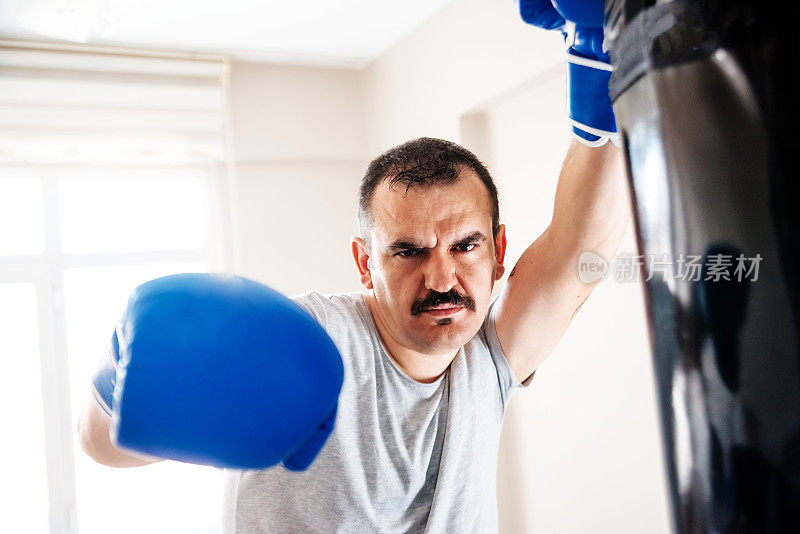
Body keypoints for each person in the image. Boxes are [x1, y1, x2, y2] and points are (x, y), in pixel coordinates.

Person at [78, 1, 629, 531]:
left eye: (465, 246)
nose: (441, 279)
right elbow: (97, 445)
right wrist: (122, 379)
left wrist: (603, 62)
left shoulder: (487, 355)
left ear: (498, 252)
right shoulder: (308, 341)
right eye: (408, 251)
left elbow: (584, 248)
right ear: (365, 264)